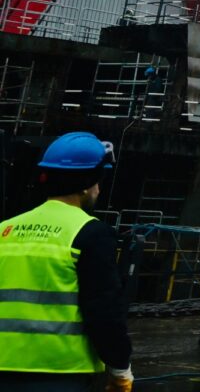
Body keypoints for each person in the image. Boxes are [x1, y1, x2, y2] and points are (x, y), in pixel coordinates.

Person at [0, 131, 133, 391]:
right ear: (86, 184)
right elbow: (104, 311)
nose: (98, 189)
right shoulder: (91, 233)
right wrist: (120, 369)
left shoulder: (5, 229)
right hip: (61, 372)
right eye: (97, 182)